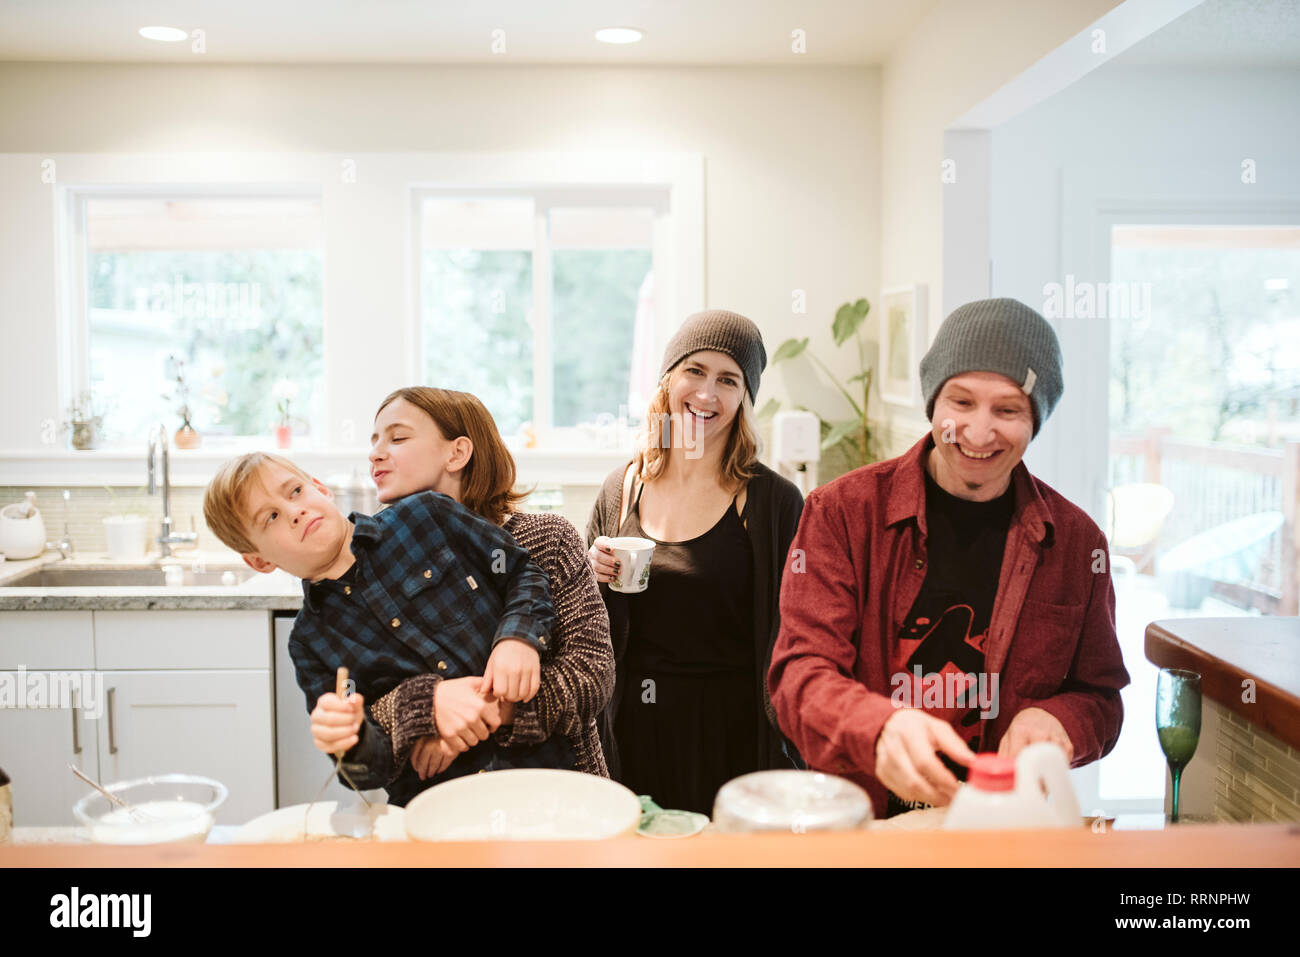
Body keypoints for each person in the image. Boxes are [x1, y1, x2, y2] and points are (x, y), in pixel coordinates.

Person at [769, 297, 1131, 819]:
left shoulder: (1077, 544)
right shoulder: (841, 514)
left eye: (1007, 410)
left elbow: (1101, 698)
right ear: (933, 404)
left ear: (1036, 420)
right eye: (960, 403)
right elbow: (799, 674)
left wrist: (1061, 720)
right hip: (866, 825)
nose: (979, 433)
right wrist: (880, 727)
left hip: (1002, 825)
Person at [202, 450, 573, 807]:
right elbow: (365, 771)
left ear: (320, 487)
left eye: (295, 491)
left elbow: (521, 571)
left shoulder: (428, 515)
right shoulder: (310, 643)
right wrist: (351, 738)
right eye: (270, 517)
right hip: (435, 807)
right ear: (260, 561)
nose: (294, 512)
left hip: (540, 775)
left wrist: (518, 638)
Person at [587, 309, 805, 815]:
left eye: (728, 380)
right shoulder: (623, 489)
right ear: (668, 380)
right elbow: (585, 626)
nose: (707, 394)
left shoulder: (772, 502)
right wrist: (591, 573)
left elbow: (798, 629)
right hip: (634, 725)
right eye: (695, 371)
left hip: (734, 733)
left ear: (744, 398)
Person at [339, 387, 615, 781]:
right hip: (439, 803)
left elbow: (592, 673)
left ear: (457, 453)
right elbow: (364, 706)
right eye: (375, 440)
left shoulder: (548, 540)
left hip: (561, 794)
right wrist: (430, 712)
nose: (375, 453)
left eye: (397, 438)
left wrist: (487, 713)